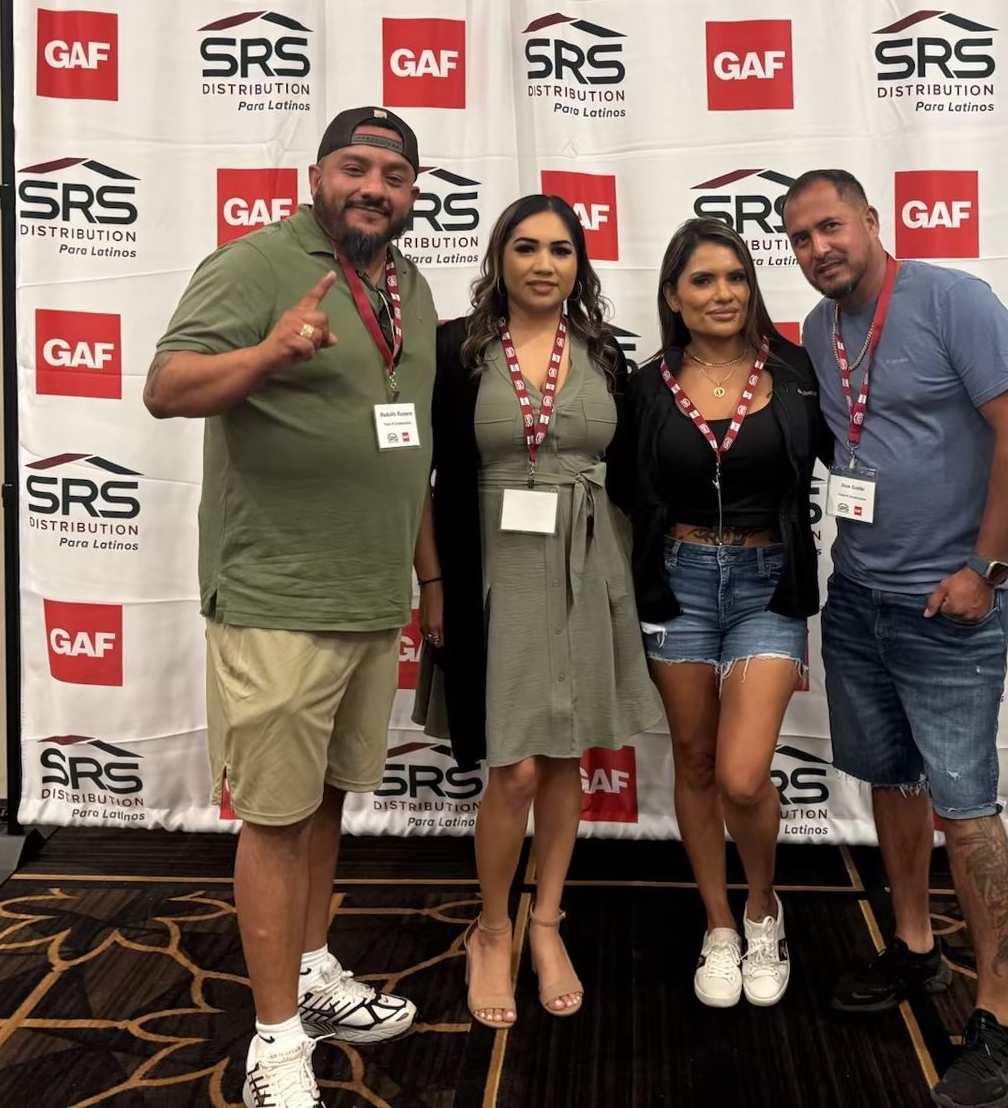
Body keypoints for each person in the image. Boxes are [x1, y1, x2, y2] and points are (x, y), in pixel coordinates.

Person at [144, 106, 435, 1108]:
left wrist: (427, 583)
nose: (373, 188)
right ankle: (273, 1041)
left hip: (370, 595)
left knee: (328, 799)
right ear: (317, 176)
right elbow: (166, 387)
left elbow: (409, 445)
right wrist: (267, 354)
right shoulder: (256, 264)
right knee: (273, 819)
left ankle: (311, 970)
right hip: (276, 596)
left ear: (412, 194)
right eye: (355, 167)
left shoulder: (408, 286)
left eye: (394, 175)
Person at [782, 169, 1008, 1108]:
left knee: (966, 806)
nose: (819, 248)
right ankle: (913, 947)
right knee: (892, 781)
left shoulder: (953, 302)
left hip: (949, 608)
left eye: (831, 227)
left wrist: (986, 566)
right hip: (858, 596)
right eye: (800, 238)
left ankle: (1000, 1018)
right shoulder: (819, 331)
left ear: (870, 220)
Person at [412, 193, 661, 1029]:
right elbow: (420, 477)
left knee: (563, 759)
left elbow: (632, 474)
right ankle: (491, 930)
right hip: (492, 569)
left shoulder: (606, 353)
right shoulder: (456, 350)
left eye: (560, 249)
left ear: (579, 264)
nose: (544, 264)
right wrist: (434, 583)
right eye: (526, 247)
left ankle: (546, 922)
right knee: (514, 766)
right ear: (500, 259)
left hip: (588, 566)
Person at [622, 218, 831, 1009]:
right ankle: (717, 922)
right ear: (673, 297)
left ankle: (763, 908)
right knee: (696, 761)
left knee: (743, 776)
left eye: (736, 277)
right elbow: (622, 489)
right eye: (703, 280)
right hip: (678, 582)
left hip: (766, 584)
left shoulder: (796, 370)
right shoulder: (647, 384)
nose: (723, 293)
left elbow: (853, 449)